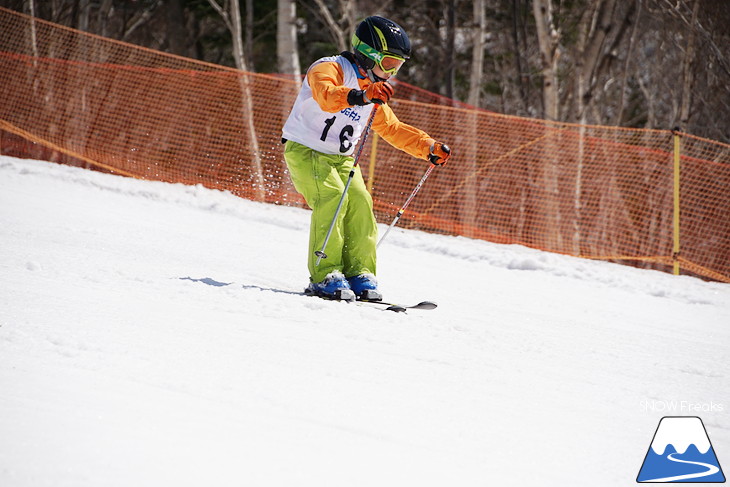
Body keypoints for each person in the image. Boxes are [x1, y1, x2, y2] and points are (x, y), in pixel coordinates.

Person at [282, 15, 452, 301]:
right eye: (388, 64)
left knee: (360, 202)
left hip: (342, 159)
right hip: (306, 151)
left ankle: (359, 272)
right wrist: (360, 96)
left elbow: (392, 128)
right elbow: (326, 95)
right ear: (369, 54)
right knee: (333, 197)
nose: (392, 73)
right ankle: (326, 273)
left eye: (397, 67)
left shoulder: (374, 91)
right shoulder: (329, 68)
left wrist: (428, 146)